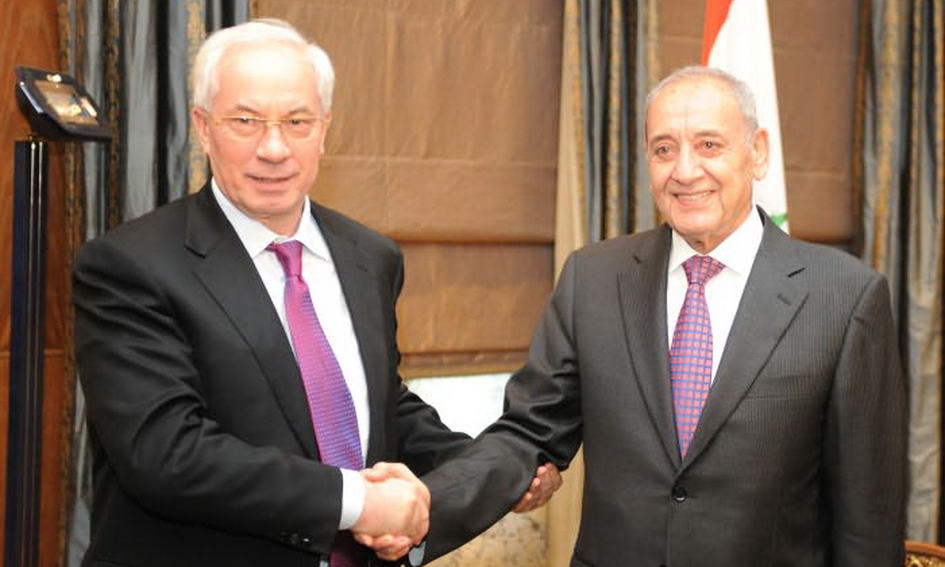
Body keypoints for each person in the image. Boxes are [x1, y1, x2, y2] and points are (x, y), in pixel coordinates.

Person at [73, 18, 559, 567]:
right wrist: (359, 504)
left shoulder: (369, 256)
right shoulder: (130, 265)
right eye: (246, 121)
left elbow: (376, 403)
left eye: (297, 121)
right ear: (203, 128)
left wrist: (488, 470)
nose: (274, 148)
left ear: (325, 129)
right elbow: (166, 453)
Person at [406, 66, 908, 566]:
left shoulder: (844, 297)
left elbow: (867, 514)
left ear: (757, 152)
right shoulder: (593, 280)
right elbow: (529, 433)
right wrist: (424, 505)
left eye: (709, 145)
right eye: (664, 149)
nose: (685, 171)